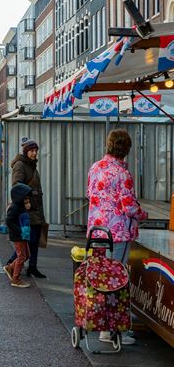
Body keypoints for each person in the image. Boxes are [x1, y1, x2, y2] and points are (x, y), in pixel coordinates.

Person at [87, 129, 148, 346]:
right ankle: (110, 329)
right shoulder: (122, 174)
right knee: (115, 280)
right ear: (127, 149)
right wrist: (143, 214)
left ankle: (102, 320)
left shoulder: (95, 167)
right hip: (118, 233)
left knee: (100, 276)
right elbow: (128, 206)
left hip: (97, 231)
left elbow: (90, 195)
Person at [5, 139, 47, 279]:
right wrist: (27, 201)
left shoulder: (31, 165)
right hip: (26, 210)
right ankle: (11, 263)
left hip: (35, 209)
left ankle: (32, 267)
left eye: (36, 151)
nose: (34, 153)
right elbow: (17, 186)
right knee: (28, 239)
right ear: (26, 151)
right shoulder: (20, 165)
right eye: (32, 151)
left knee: (34, 240)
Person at [4, 183, 33, 288]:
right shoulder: (15, 207)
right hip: (18, 235)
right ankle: (16, 279)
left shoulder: (21, 206)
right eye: (25, 196)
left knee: (26, 255)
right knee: (21, 256)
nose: (27, 198)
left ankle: (10, 267)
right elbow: (9, 221)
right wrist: (19, 230)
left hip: (23, 234)